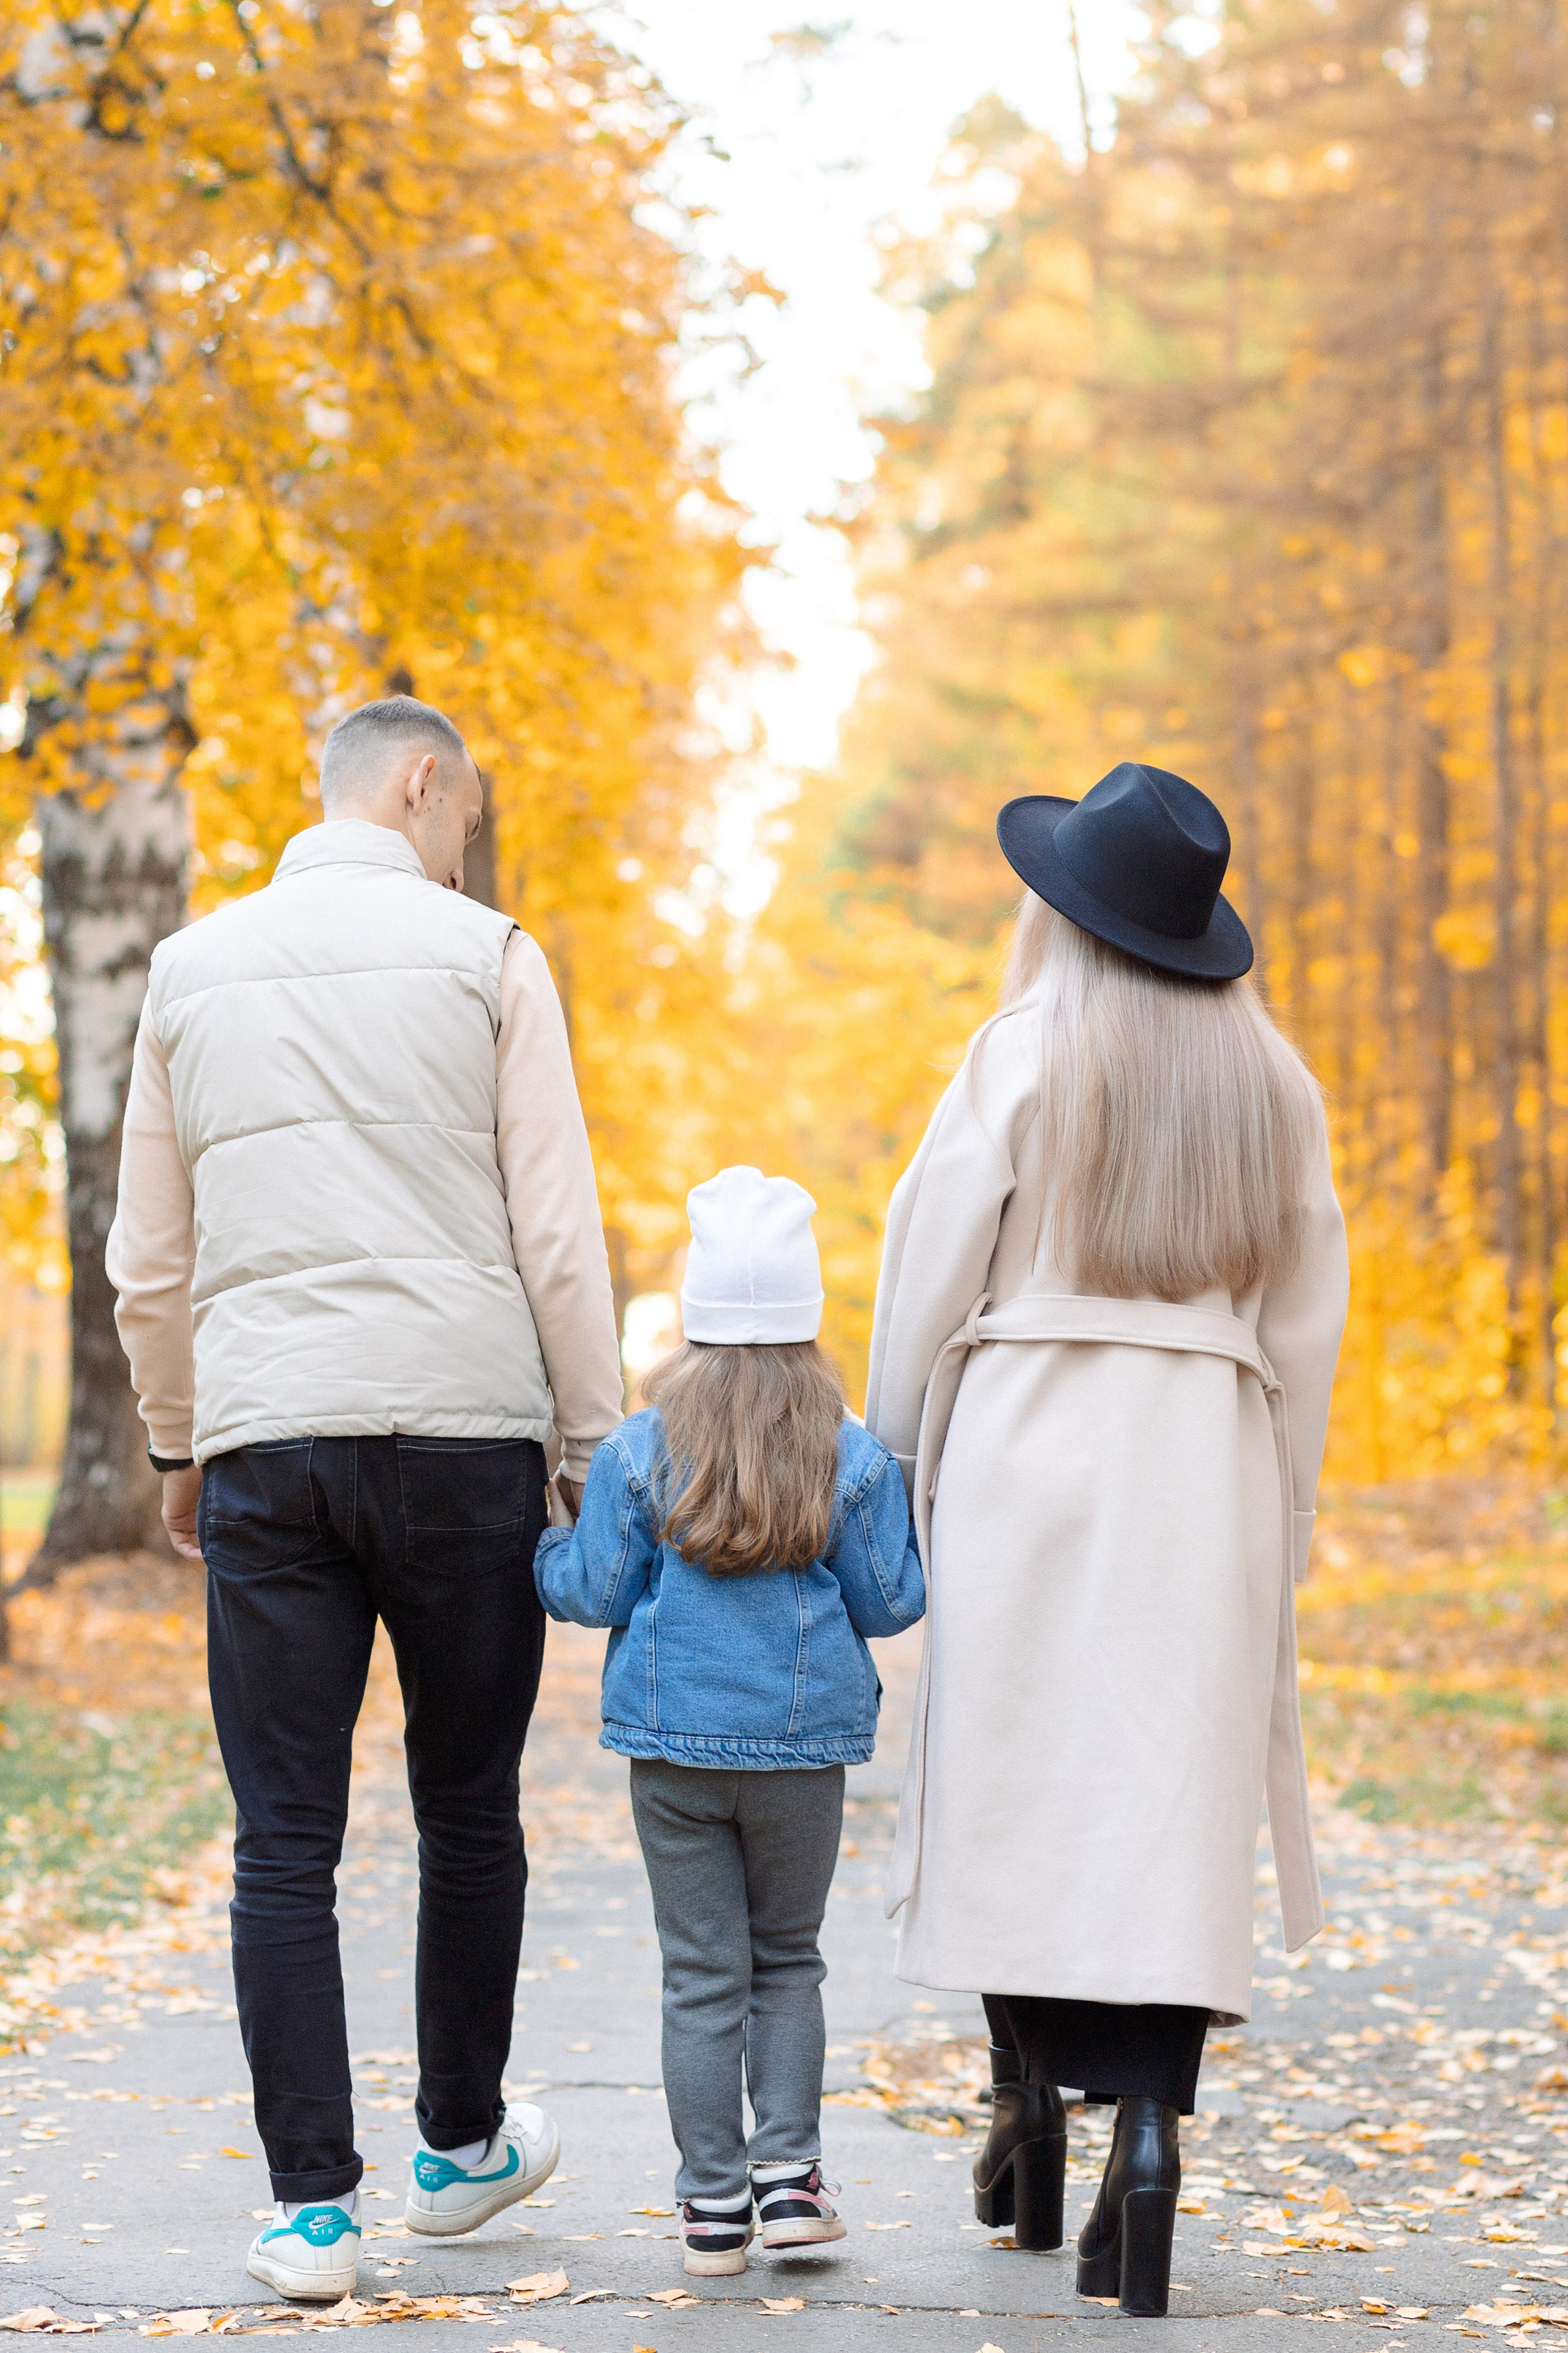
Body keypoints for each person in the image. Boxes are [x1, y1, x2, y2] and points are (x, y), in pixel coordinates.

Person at [106, 695, 625, 2302]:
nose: (465, 843)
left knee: (285, 1838)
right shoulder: (491, 958)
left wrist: (184, 1444)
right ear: (421, 784)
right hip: (468, 1440)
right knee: (469, 1811)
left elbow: (151, 1262)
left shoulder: (190, 971)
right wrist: (592, 1446)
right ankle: (461, 2151)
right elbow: (556, 1232)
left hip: (270, 1446)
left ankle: (308, 2213)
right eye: (462, 812)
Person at [865, 763, 1348, 2319]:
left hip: (1026, 1443)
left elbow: (929, 1259)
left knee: (1023, 1774)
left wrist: (882, 1441)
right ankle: (1146, 2134)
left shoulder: (1018, 1055)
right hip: (1203, 1454)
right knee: (1164, 1787)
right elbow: (1306, 1322)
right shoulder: (1274, 1088)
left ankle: (1022, 2099)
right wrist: (1285, 1496)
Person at [534, 1166, 925, 2279]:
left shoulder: (636, 1450)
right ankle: (790, 2183)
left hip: (671, 1751)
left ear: (694, 1321)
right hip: (803, 1753)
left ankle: (711, 2208)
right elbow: (891, 1603)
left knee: (700, 1971)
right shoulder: (848, 1453)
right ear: (806, 1321)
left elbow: (594, 1591)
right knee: (788, 1960)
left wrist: (545, 1547)